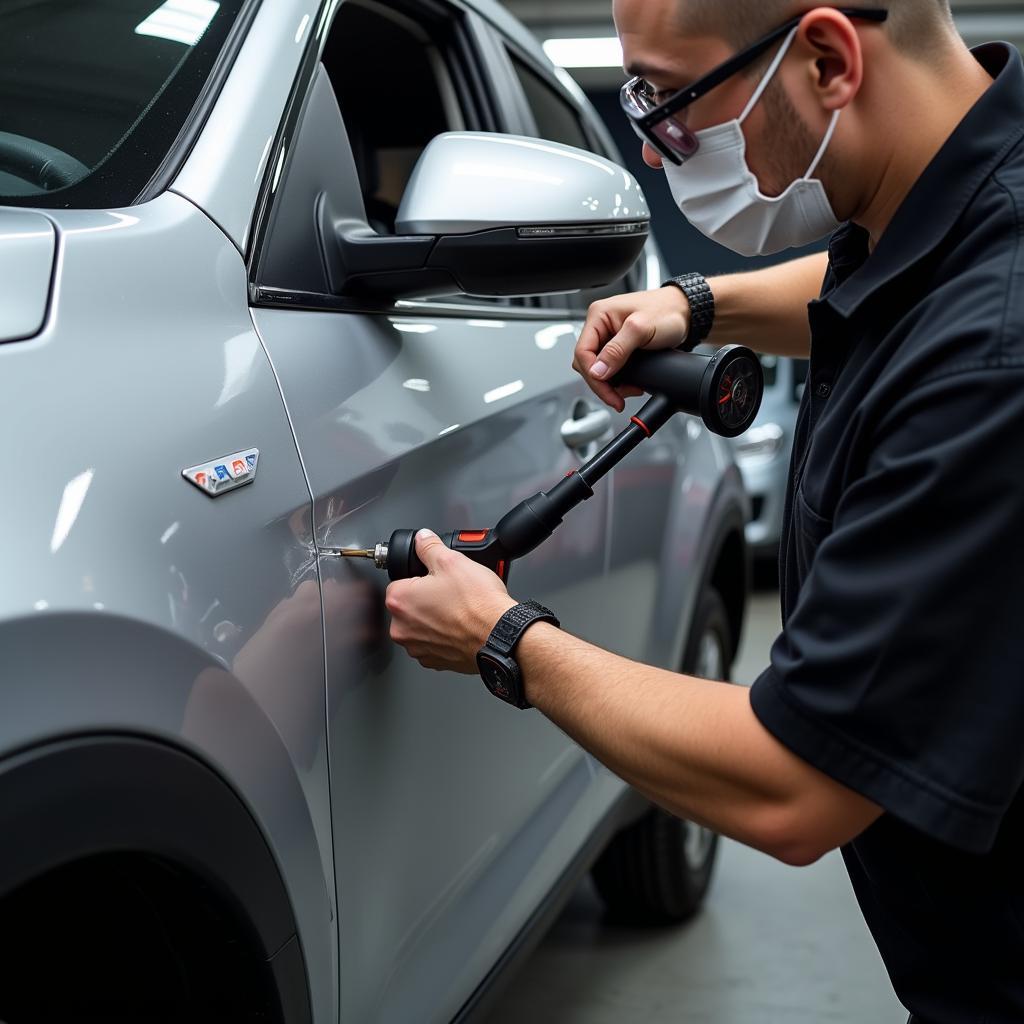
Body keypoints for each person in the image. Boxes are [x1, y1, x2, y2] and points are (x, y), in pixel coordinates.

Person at [385, 3, 1024, 1019]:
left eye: (669, 100)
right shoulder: (946, 190)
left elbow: (796, 785)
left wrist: (501, 639)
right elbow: (880, 289)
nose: (649, 142)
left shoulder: (994, 358)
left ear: (826, 59)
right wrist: (695, 304)